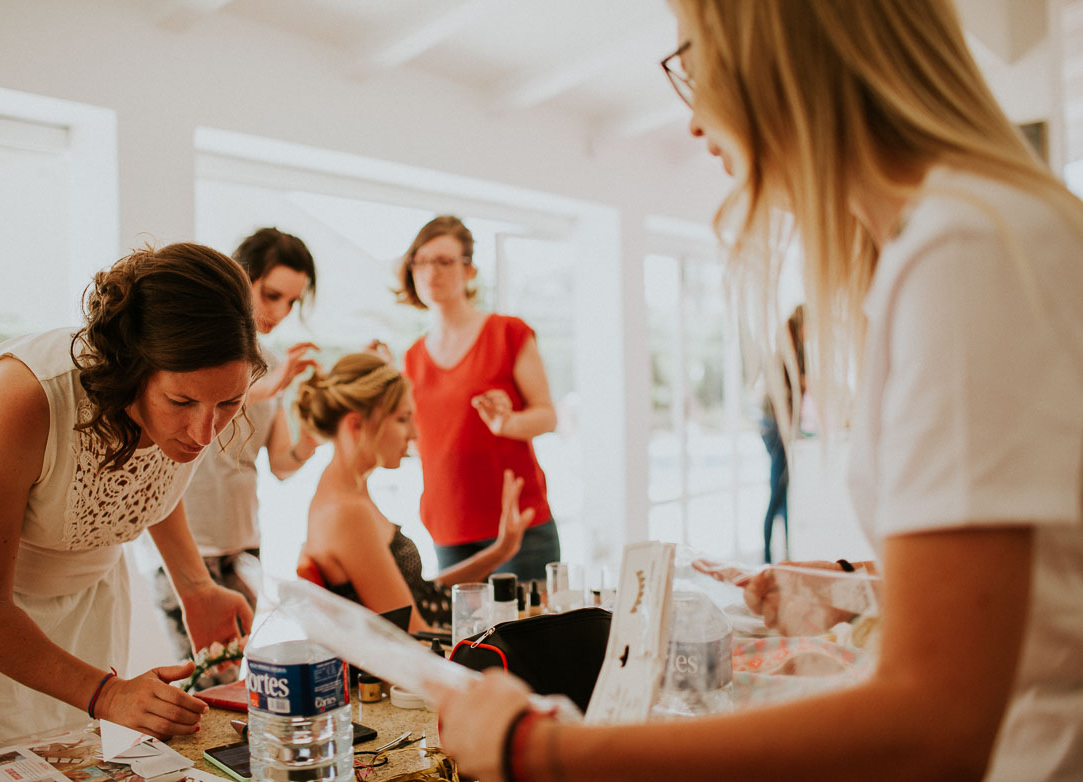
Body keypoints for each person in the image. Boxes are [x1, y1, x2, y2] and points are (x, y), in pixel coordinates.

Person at [433, 2, 1083, 780]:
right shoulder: (967, 232)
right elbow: (1040, 586)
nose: (693, 118)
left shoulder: (964, 250)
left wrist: (542, 749)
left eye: (697, 61)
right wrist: (836, 590)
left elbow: (936, 719)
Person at [0, 243, 262, 775]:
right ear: (130, 370)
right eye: (183, 403)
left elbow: (147, 479)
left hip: (84, 601)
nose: (205, 433)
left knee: (77, 763)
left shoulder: (195, 400)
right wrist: (105, 693)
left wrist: (195, 586)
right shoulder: (24, 396)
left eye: (229, 404)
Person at [152, 227, 320, 669]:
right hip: (190, 541)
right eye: (271, 294)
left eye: (291, 302)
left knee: (239, 677)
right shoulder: (199, 351)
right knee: (202, 679)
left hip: (243, 542)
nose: (280, 312)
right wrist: (271, 386)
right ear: (238, 276)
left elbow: (281, 465)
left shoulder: (270, 368)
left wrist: (310, 441)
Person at [295, 353, 534, 633]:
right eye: (402, 419)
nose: (414, 433)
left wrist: (501, 550)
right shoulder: (347, 512)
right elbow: (414, 633)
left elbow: (419, 594)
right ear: (355, 425)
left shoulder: (351, 490)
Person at [398, 216, 560, 582]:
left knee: (525, 636)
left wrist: (510, 423)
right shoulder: (412, 357)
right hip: (448, 526)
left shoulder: (508, 333)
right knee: (466, 639)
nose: (430, 272)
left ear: (469, 271)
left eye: (444, 261)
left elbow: (547, 416)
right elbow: (416, 443)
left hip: (518, 526)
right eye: (421, 261)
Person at [758, 303, 806, 563]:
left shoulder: (786, 352)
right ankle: (767, 557)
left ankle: (786, 554)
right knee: (777, 491)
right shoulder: (790, 354)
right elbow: (789, 393)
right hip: (776, 426)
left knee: (784, 492)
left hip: (773, 424)